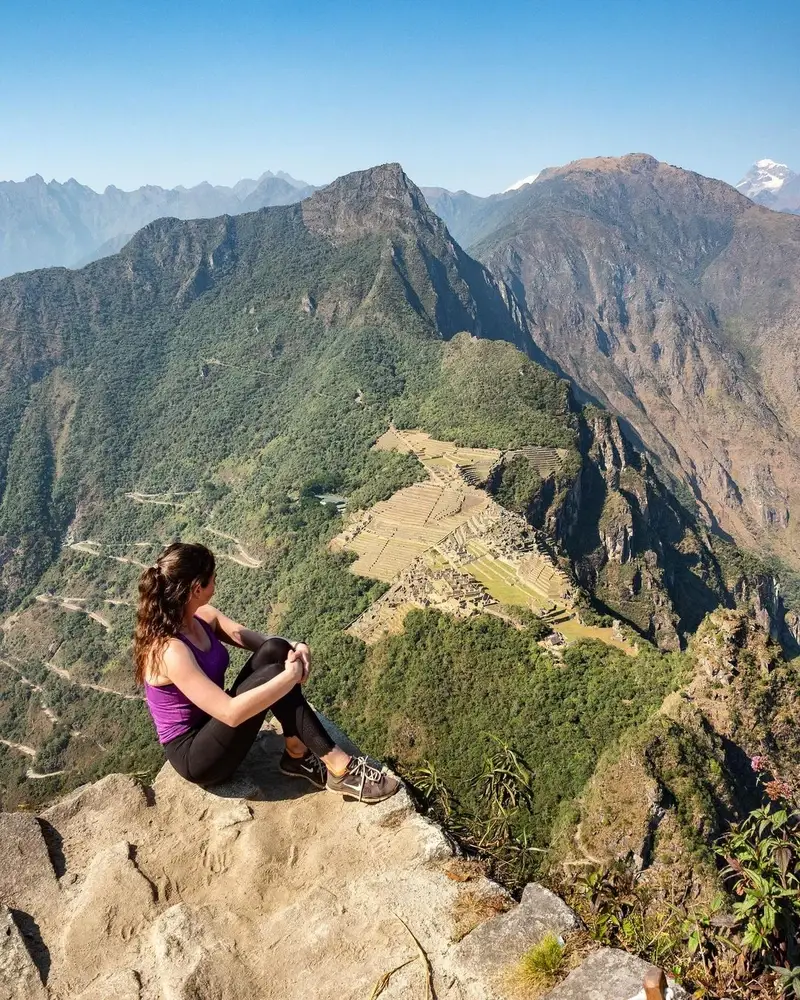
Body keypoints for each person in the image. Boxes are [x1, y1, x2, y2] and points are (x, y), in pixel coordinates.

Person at [134, 541, 399, 803]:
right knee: (276, 674)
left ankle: (297, 755)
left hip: (215, 725)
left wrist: (296, 647)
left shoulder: (203, 617)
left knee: (277, 649)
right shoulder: (170, 651)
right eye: (212, 579)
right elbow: (231, 712)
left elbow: (263, 642)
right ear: (196, 588)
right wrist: (289, 677)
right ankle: (342, 768)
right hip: (197, 756)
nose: (215, 584)